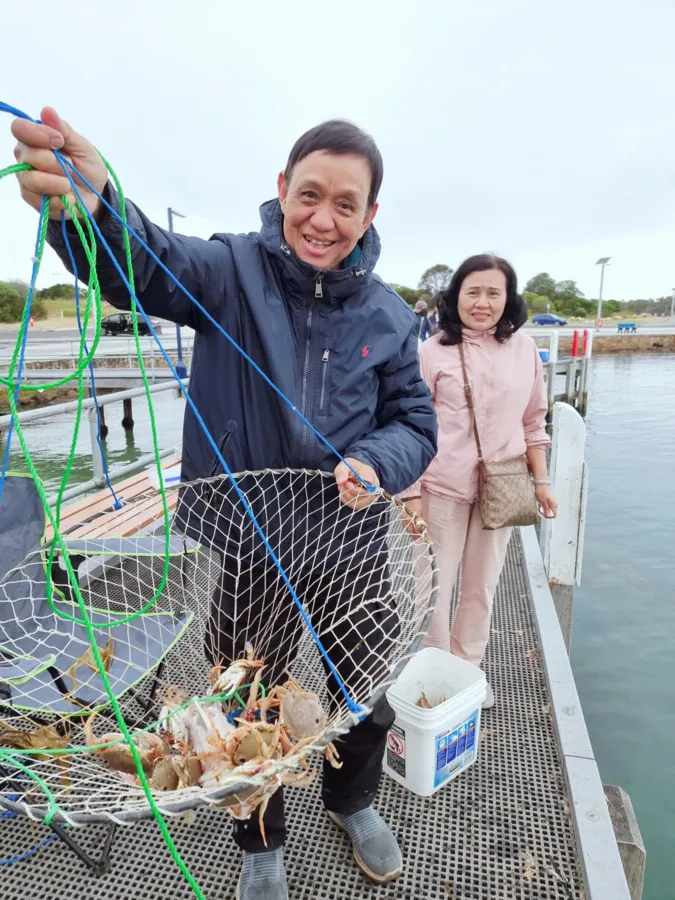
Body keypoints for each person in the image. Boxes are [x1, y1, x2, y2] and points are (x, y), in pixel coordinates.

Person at [11, 109, 437, 899]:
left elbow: (414, 420)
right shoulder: (229, 271)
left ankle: (353, 802)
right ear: (281, 190)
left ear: (370, 215)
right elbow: (145, 264)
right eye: (311, 194)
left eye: (347, 204)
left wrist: (376, 462)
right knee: (239, 705)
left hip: (350, 545)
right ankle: (259, 841)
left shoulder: (387, 313)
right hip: (249, 546)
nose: (324, 217)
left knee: (366, 696)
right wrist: (95, 207)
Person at [400, 254, 557, 709]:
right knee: (432, 586)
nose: (483, 302)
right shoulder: (431, 352)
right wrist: (409, 494)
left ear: (508, 299)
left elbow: (535, 420)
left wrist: (542, 481)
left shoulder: (525, 350)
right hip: (439, 487)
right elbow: (410, 423)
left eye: (494, 292)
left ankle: (467, 673)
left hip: (502, 488)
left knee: (481, 587)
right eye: (473, 291)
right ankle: (434, 675)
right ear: (456, 297)